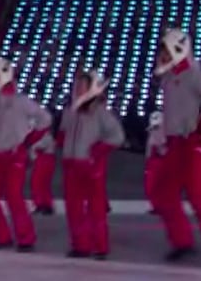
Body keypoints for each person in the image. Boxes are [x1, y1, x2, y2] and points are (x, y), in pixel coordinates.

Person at [152, 28, 201, 262]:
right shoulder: (169, 77)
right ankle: (182, 241)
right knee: (164, 191)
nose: (160, 55)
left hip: (198, 138)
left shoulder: (193, 75)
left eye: (164, 50)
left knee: (196, 187)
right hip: (177, 141)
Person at [0, 57, 52, 252]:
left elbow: (45, 119)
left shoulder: (20, 101)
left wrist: (28, 141)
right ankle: (0, 237)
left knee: (14, 197)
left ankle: (26, 238)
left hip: (12, 155)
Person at [59, 70, 124, 260]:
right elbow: (64, 132)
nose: (77, 88)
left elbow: (117, 136)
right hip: (71, 163)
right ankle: (80, 245)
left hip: (90, 164)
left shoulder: (100, 113)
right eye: (76, 85)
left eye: (82, 85)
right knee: (74, 208)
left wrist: (98, 151)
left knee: (95, 208)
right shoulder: (71, 111)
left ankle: (100, 246)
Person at [144, 112, 167, 214]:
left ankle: (160, 206)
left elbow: (164, 149)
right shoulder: (152, 131)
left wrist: (160, 150)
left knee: (157, 185)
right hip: (152, 162)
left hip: (160, 161)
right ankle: (157, 206)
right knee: (150, 185)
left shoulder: (164, 133)